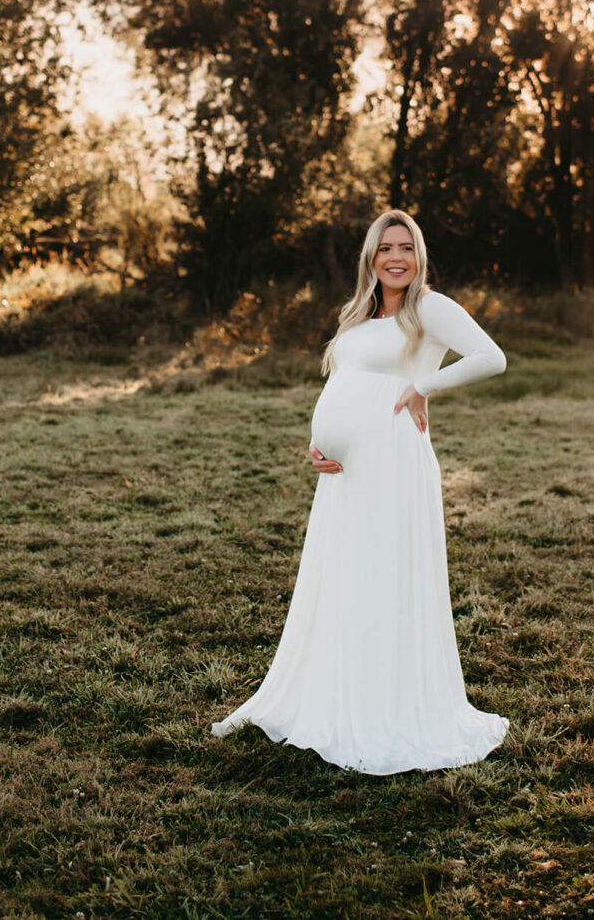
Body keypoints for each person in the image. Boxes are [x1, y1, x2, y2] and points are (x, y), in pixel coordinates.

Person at [211, 209, 510, 774]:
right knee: (345, 574)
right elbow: (342, 383)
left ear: (418, 256)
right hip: (345, 472)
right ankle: (337, 691)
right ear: (370, 258)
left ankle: (387, 707)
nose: (395, 257)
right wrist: (318, 439)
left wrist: (425, 384)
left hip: (394, 459)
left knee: (384, 571)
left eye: (406, 247)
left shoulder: (431, 308)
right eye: (384, 248)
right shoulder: (356, 314)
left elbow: (491, 358)